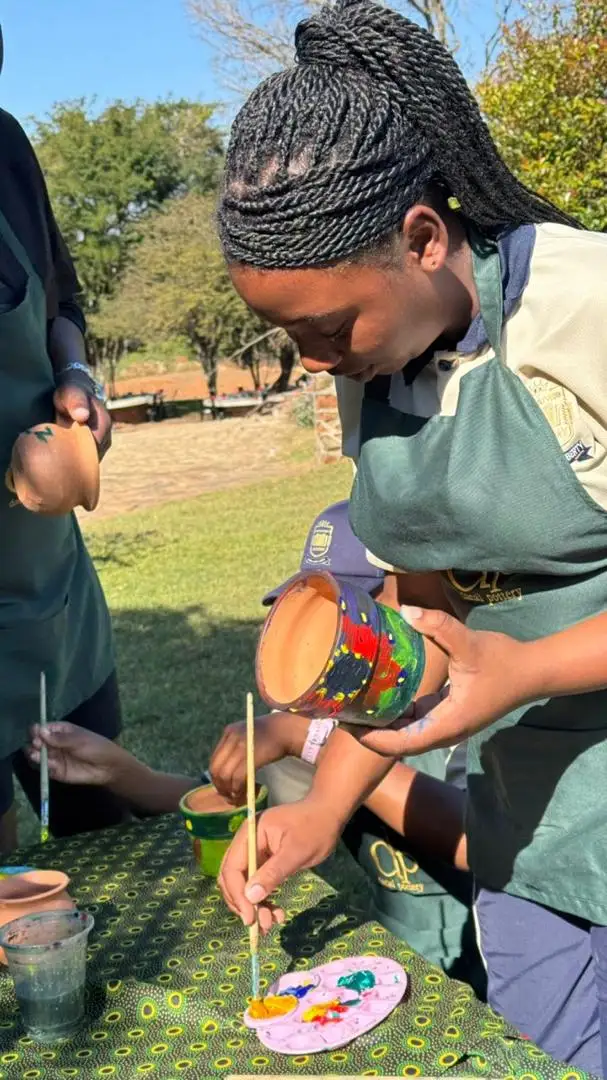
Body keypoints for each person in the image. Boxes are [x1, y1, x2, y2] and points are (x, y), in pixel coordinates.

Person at [215, 1, 607, 1073]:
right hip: (530, 817)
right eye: (286, 337)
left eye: (325, 329)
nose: (311, 361)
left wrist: (521, 664)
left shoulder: (586, 307)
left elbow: (491, 653)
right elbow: (427, 614)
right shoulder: (375, 363)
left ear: (422, 240)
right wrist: (323, 804)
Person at [27, 499, 481, 991]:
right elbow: (231, 811)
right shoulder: (321, 732)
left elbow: (480, 843)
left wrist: (310, 739)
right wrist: (120, 773)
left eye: (333, 635)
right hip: (395, 963)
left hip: (483, 961)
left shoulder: (465, 703)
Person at [0, 26, 126, 849]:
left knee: (100, 828)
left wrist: (78, 378)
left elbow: (61, 305)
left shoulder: (6, 149)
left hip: (56, 602)